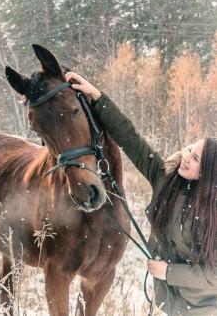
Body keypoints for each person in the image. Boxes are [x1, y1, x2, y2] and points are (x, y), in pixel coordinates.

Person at [65, 71, 217, 316]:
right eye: (189, 150)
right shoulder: (166, 178)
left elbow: (214, 274)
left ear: (208, 173)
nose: (187, 157)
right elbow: (131, 139)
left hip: (207, 307)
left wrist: (168, 272)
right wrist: (97, 97)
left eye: (196, 158)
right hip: (173, 301)